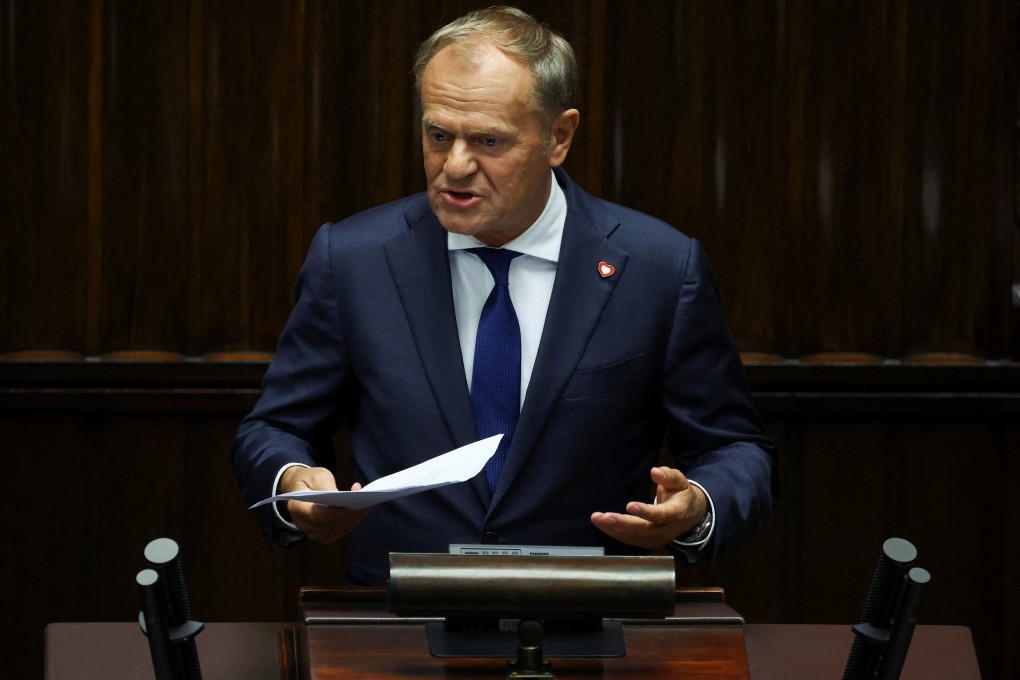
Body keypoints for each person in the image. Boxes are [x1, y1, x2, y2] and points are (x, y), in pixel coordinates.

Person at [232, 6, 778, 586]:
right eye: (438, 135)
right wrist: (292, 481)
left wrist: (696, 506)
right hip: (397, 626)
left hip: (590, 625)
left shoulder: (660, 267)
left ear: (559, 136)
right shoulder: (353, 259)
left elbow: (737, 449)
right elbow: (273, 428)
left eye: (489, 140)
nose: (455, 167)